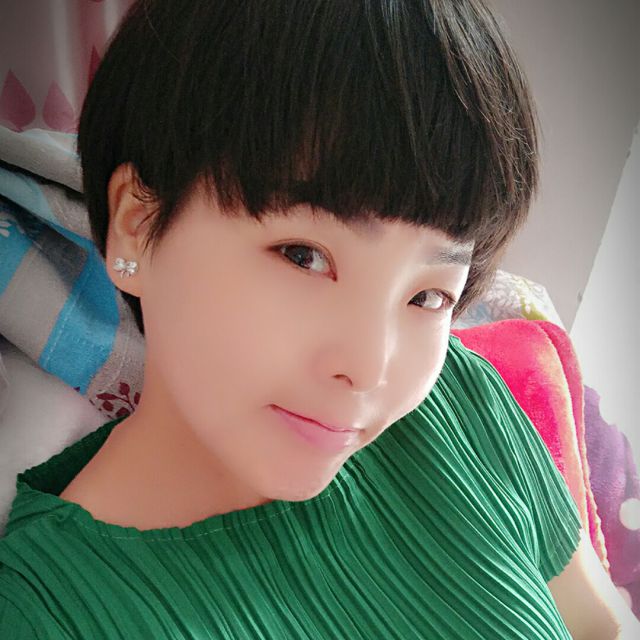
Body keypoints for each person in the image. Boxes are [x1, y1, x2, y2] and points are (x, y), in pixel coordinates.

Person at [0, 0, 637, 637]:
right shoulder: (45, 613)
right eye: (304, 256)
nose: (369, 368)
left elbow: (602, 628)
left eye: (428, 297)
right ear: (138, 226)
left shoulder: (460, 404)